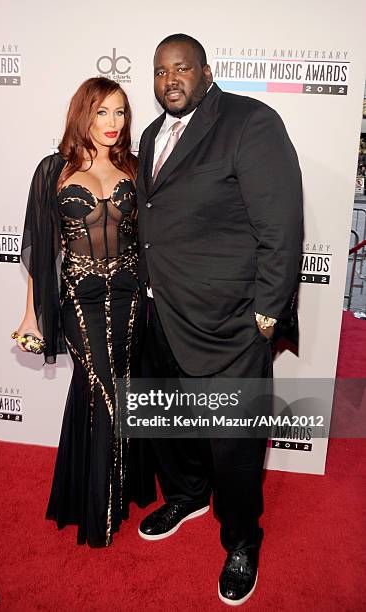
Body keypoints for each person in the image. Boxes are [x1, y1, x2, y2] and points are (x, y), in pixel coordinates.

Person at [136, 34, 303, 605]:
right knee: (170, 420)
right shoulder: (153, 135)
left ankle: (241, 538)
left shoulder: (250, 122)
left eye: (181, 68)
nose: (170, 80)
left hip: (230, 320)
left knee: (234, 440)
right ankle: (186, 493)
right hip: (162, 309)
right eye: (160, 72)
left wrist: (266, 313)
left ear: (207, 71)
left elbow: (281, 226)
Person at [15, 77, 155, 548]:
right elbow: (41, 247)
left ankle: (111, 490)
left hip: (130, 294)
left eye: (120, 113)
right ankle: (101, 505)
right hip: (79, 296)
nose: (113, 123)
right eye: (102, 113)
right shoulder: (53, 170)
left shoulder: (135, 167)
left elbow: (152, 236)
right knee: (101, 386)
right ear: (83, 115)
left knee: (121, 386)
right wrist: (31, 314)